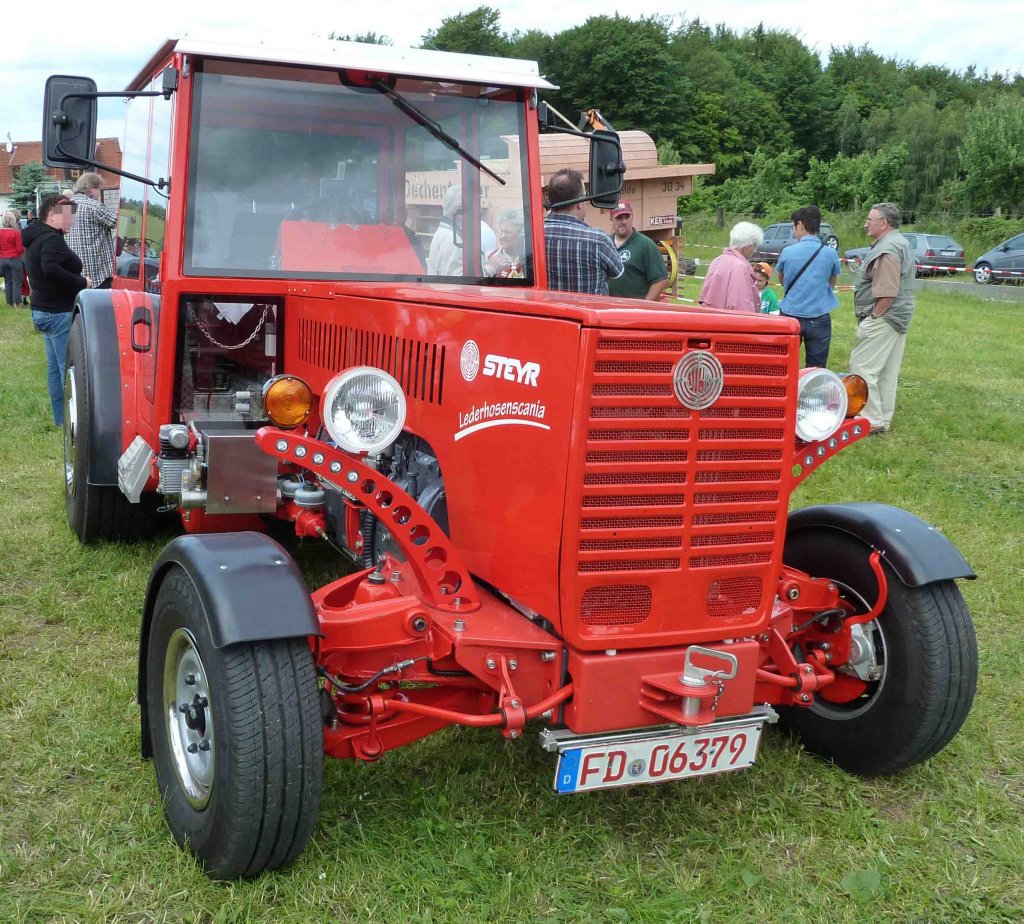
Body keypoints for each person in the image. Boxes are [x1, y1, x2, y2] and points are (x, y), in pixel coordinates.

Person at [848, 202, 916, 435]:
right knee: (887, 371)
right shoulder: (900, 242)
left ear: (883, 223)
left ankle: (871, 419)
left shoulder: (887, 249)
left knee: (863, 366)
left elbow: (887, 292)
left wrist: (874, 318)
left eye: (870, 219)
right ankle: (882, 419)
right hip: (898, 316)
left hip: (886, 316)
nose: (866, 223)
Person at [23, 194, 91, 427]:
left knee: (55, 368)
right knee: (69, 368)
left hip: (43, 311)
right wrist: (82, 282)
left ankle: (61, 420)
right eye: (68, 216)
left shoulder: (37, 237)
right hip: (56, 312)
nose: (71, 220)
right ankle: (75, 423)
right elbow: (50, 268)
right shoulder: (51, 239)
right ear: (52, 216)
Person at [776, 205, 842, 367]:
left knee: (784, 363)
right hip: (819, 316)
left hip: (791, 314)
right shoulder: (831, 254)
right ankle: (813, 392)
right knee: (816, 368)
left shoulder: (787, 252)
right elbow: (832, 281)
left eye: (793, 227)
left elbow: (782, 279)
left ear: (800, 225)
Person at [543, 168, 623, 295]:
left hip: (546, 313)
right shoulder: (598, 240)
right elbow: (617, 273)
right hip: (589, 313)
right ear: (579, 203)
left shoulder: (530, 236)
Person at [607, 200, 669, 300]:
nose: (623, 222)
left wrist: (644, 305)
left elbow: (660, 280)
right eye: (619, 217)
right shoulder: (605, 243)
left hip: (634, 311)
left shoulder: (646, 245)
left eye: (627, 217)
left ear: (632, 218)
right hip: (608, 309)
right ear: (611, 220)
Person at [67, 172, 118, 289]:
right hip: (96, 275)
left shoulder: (65, 207)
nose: (99, 194)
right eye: (98, 189)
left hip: (73, 273)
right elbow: (116, 221)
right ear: (90, 189)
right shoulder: (94, 206)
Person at [698, 222, 763, 312]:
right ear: (746, 247)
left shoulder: (717, 260)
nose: (754, 250)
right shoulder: (740, 267)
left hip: (710, 317)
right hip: (728, 321)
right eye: (754, 247)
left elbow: (704, 296)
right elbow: (742, 306)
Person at [487, 209, 525, 278]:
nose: (502, 236)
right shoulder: (489, 257)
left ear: (520, 235)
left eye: (507, 232)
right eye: (501, 231)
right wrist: (490, 268)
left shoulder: (529, 259)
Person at [0, 209, 26, 307]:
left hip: (2, 259)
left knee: (8, 281)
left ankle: (9, 302)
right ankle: (17, 303)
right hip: (14, 258)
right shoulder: (16, 233)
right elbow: (20, 249)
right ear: (12, 220)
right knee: (17, 281)